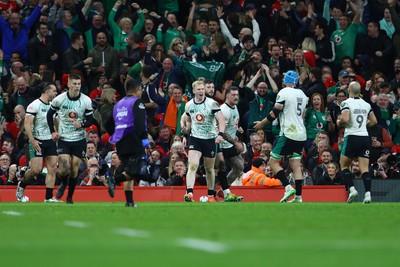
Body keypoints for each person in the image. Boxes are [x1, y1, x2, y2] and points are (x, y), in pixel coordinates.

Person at [254, 70, 308, 203]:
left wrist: (262, 124)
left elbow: (275, 113)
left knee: (272, 162)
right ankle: (299, 197)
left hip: (289, 132)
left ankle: (288, 187)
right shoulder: (302, 94)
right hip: (301, 134)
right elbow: (302, 114)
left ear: (286, 80)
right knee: (295, 164)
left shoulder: (284, 93)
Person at [46, 73, 94, 204]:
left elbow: (90, 119)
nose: (77, 87)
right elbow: (49, 115)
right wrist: (52, 132)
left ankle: (70, 197)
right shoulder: (59, 99)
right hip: (64, 138)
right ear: (68, 84)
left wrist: (82, 124)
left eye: (79, 84)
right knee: (64, 169)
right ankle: (63, 183)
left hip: (79, 139)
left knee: (74, 169)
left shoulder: (86, 100)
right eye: (74, 84)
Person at [105, 79, 149, 207]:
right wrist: (145, 140)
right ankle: (113, 179)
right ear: (137, 90)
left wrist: (117, 133)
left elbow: (108, 124)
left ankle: (129, 202)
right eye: (140, 90)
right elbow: (140, 123)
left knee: (129, 170)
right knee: (136, 171)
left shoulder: (118, 105)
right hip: (134, 140)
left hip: (121, 142)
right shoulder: (137, 102)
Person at [181, 80, 225, 202]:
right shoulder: (189, 105)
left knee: (209, 168)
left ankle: (211, 195)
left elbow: (221, 120)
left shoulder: (212, 104)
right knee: (193, 165)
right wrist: (186, 132)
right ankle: (189, 193)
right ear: (194, 91)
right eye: (198, 89)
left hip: (210, 139)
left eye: (202, 89)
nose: (201, 91)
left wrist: (220, 134)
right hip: (195, 138)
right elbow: (189, 121)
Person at [16, 83, 60, 202]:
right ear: (47, 91)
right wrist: (32, 140)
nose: (56, 94)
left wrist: (56, 132)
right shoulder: (34, 105)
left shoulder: (52, 106)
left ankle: (48, 197)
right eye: (54, 91)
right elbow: (27, 124)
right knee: (36, 169)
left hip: (49, 140)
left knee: (52, 168)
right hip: (38, 140)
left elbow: (55, 120)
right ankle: (22, 185)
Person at [337, 81, 377, 203]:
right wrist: (365, 125)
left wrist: (339, 123)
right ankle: (368, 194)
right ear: (359, 91)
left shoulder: (346, 103)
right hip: (364, 137)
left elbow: (345, 118)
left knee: (343, 165)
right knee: (364, 168)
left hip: (352, 136)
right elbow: (374, 121)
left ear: (349, 90)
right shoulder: (366, 104)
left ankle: (352, 189)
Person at [212, 85, 243, 202]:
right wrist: (236, 143)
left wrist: (237, 129)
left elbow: (231, 125)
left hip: (228, 144)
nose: (236, 97)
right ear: (227, 96)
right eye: (233, 95)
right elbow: (222, 131)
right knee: (219, 169)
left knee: (239, 167)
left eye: (237, 95)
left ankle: (223, 190)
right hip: (219, 143)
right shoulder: (224, 110)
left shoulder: (234, 107)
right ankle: (213, 194)